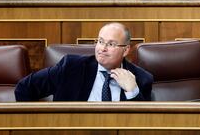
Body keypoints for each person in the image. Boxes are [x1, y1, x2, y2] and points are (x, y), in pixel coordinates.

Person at [15, 22, 153, 101]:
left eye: (111, 44)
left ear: (126, 50)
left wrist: (133, 91)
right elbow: (24, 88)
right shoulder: (71, 67)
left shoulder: (141, 79)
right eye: (100, 41)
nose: (102, 48)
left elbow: (143, 123)